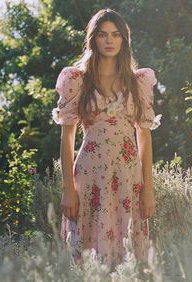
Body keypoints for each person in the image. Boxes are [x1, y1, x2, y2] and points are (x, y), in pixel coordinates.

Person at [52, 8, 162, 266]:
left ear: (124, 39)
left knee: (127, 258)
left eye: (115, 35)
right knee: (86, 257)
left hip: (128, 176)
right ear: (93, 39)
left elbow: (144, 138)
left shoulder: (139, 82)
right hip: (90, 177)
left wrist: (149, 189)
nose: (109, 40)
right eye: (103, 35)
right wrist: (69, 189)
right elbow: (67, 140)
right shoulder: (77, 80)